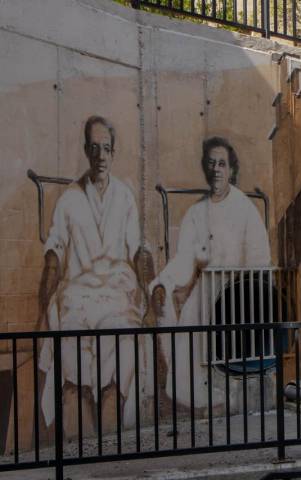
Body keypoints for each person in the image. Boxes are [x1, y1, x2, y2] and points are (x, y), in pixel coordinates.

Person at [37, 116, 154, 434]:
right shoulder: (69, 200)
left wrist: (150, 291)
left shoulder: (125, 197)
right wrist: (44, 298)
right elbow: (55, 252)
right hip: (77, 295)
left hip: (117, 296)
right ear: (86, 150)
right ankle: (81, 442)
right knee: (71, 350)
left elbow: (138, 251)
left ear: (113, 152)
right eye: (94, 148)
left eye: (106, 148)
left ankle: (112, 436)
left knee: (121, 341)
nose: (100, 155)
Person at [149, 137, 271, 409]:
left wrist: (245, 293)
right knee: (189, 332)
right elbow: (184, 259)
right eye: (212, 163)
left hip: (238, 294)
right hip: (206, 292)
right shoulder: (196, 212)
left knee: (229, 334)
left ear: (231, 171)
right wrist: (163, 284)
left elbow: (259, 260)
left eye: (222, 164)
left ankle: (228, 394)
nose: (216, 169)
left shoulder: (246, 210)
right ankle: (198, 395)